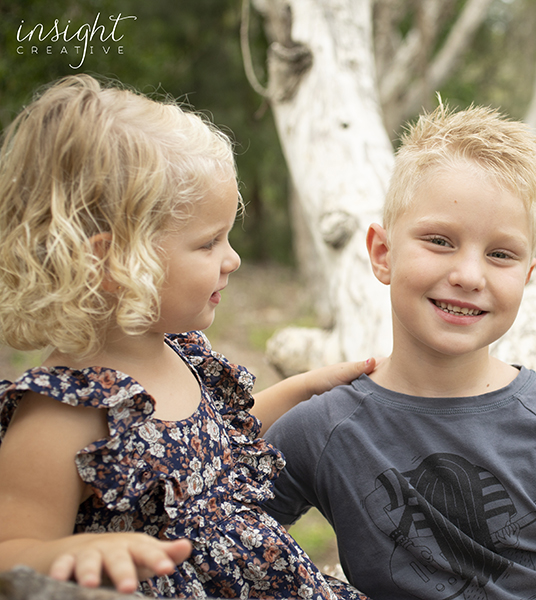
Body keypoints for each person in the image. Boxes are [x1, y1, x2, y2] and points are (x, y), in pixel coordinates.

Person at [264, 103, 536, 600]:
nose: (469, 276)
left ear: (526, 275)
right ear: (382, 253)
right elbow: (200, 518)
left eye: (500, 254)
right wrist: (294, 390)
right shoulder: (325, 429)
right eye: (440, 241)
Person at [0, 74, 372, 599]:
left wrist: (303, 389)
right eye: (208, 243)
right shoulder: (63, 411)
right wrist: (68, 553)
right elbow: (11, 550)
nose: (233, 259)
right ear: (111, 261)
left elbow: (204, 450)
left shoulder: (179, 351)